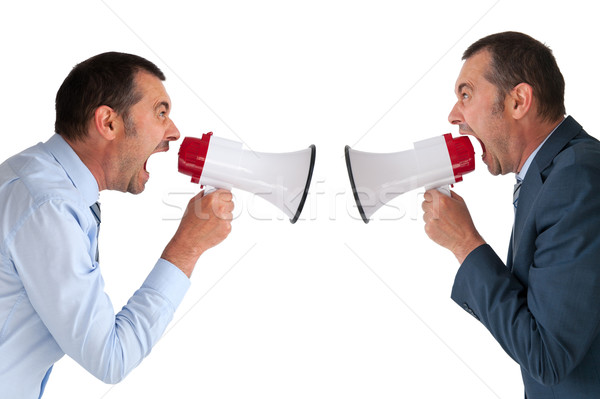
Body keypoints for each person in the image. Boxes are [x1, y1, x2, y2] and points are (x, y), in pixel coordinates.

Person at [0, 52, 234, 398]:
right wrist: (188, 246)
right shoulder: (51, 207)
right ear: (108, 122)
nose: (174, 131)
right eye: (161, 112)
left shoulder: (35, 175)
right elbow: (111, 358)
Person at [422, 31, 600, 398]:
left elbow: (548, 357)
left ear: (518, 100)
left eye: (466, 94)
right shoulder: (549, 174)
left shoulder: (576, 179)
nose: (454, 115)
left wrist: (466, 244)